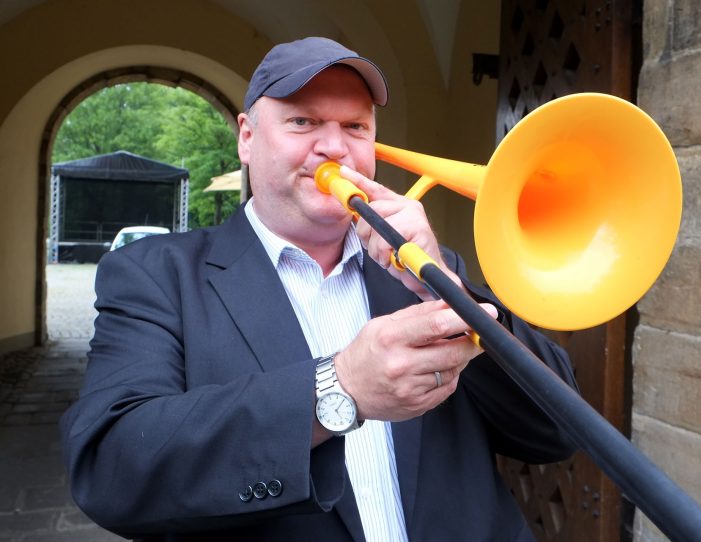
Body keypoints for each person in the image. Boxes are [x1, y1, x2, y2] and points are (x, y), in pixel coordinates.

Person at [60, 36, 579, 541]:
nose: (333, 146)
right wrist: (337, 388)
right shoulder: (155, 274)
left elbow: (558, 430)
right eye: (302, 121)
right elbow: (112, 469)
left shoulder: (433, 273)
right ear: (247, 137)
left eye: (355, 126)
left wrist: (444, 289)